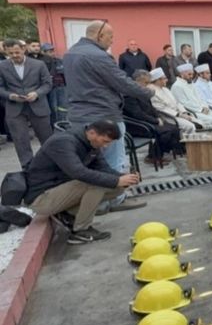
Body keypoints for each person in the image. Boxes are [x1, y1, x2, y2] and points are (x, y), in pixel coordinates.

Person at [63, 20, 150, 212]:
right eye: (110, 37)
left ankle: (98, 203)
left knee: (91, 161)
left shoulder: (70, 54)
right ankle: (116, 199)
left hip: (79, 115)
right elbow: (122, 83)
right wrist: (148, 92)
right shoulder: (98, 56)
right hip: (104, 114)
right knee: (113, 160)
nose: (112, 41)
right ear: (99, 35)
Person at [25, 120, 139, 244]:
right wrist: (116, 180)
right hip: (42, 198)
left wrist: (125, 178)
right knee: (96, 184)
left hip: (60, 191)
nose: (106, 146)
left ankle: (69, 213)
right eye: (105, 141)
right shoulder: (62, 142)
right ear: (92, 133)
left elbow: (104, 169)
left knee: (118, 187)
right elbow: (78, 172)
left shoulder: (91, 143)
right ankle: (81, 231)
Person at [0, 40, 53, 167]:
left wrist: (37, 93)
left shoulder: (39, 64)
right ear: (6, 51)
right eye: (11, 53)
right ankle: (28, 168)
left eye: (17, 52)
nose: (15, 55)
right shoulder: (1, 66)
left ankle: (52, 164)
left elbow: (48, 84)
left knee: (47, 139)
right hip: (15, 108)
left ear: (24, 49)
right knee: (21, 141)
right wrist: (10, 96)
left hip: (38, 105)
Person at [123, 70, 184, 165]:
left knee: (174, 129)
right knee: (165, 132)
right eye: (145, 83)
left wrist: (159, 117)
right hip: (137, 125)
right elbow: (137, 114)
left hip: (147, 121)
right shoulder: (129, 95)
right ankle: (153, 156)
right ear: (137, 81)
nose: (147, 85)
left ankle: (161, 153)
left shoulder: (143, 92)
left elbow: (152, 108)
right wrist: (155, 120)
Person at [170, 63, 212, 128]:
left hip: (202, 109)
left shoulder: (191, 83)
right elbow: (184, 103)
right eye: (189, 74)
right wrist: (200, 109)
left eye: (192, 74)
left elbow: (200, 98)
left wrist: (205, 106)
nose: (191, 76)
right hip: (193, 112)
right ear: (182, 74)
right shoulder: (177, 86)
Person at [147, 68, 200, 134]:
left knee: (198, 122)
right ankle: (186, 144)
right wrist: (180, 115)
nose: (167, 80)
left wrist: (184, 112)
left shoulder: (165, 89)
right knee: (190, 126)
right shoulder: (152, 91)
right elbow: (162, 109)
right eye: (164, 78)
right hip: (169, 117)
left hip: (179, 114)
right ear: (158, 80)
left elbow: (176, 103)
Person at [42, 43, 67, 125]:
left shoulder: (59, 61)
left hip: (61, 87)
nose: (52, 53)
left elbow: (64, 73)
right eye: (49, 51)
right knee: (53, 107)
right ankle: (54, 124)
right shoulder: (41, 63)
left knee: (63, 107)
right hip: (50, 89)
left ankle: (63, 123)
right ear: (44, 52)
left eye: (52, 51)